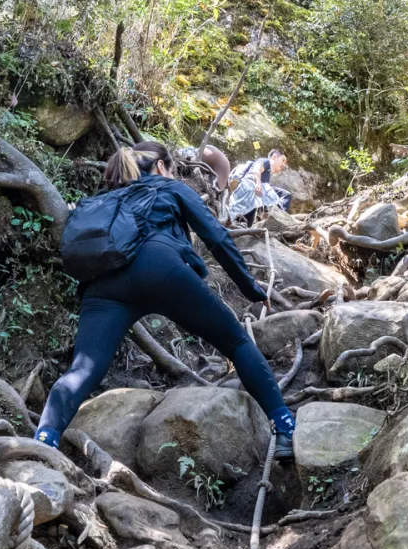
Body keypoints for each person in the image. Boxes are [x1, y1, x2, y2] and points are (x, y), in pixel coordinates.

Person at [36, 141, 297, 458]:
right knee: (236, 343)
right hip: (161, 269)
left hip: (104, 286)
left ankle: (44, 441)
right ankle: (284, 429)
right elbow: (216, 236)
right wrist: (249, 287)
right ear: (161, 166)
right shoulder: (169, 187)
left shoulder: (100, 201)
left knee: (82, 370)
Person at [225, 148, 290, 225]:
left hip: (249, 194)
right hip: (250, 187)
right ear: (274, 157)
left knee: (246, 223)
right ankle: (279, 219)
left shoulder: (266, 176)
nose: (283, 165)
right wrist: (258, 183)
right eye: (283, 160)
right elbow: (257, 168)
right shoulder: (266, 161)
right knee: (285, 195)